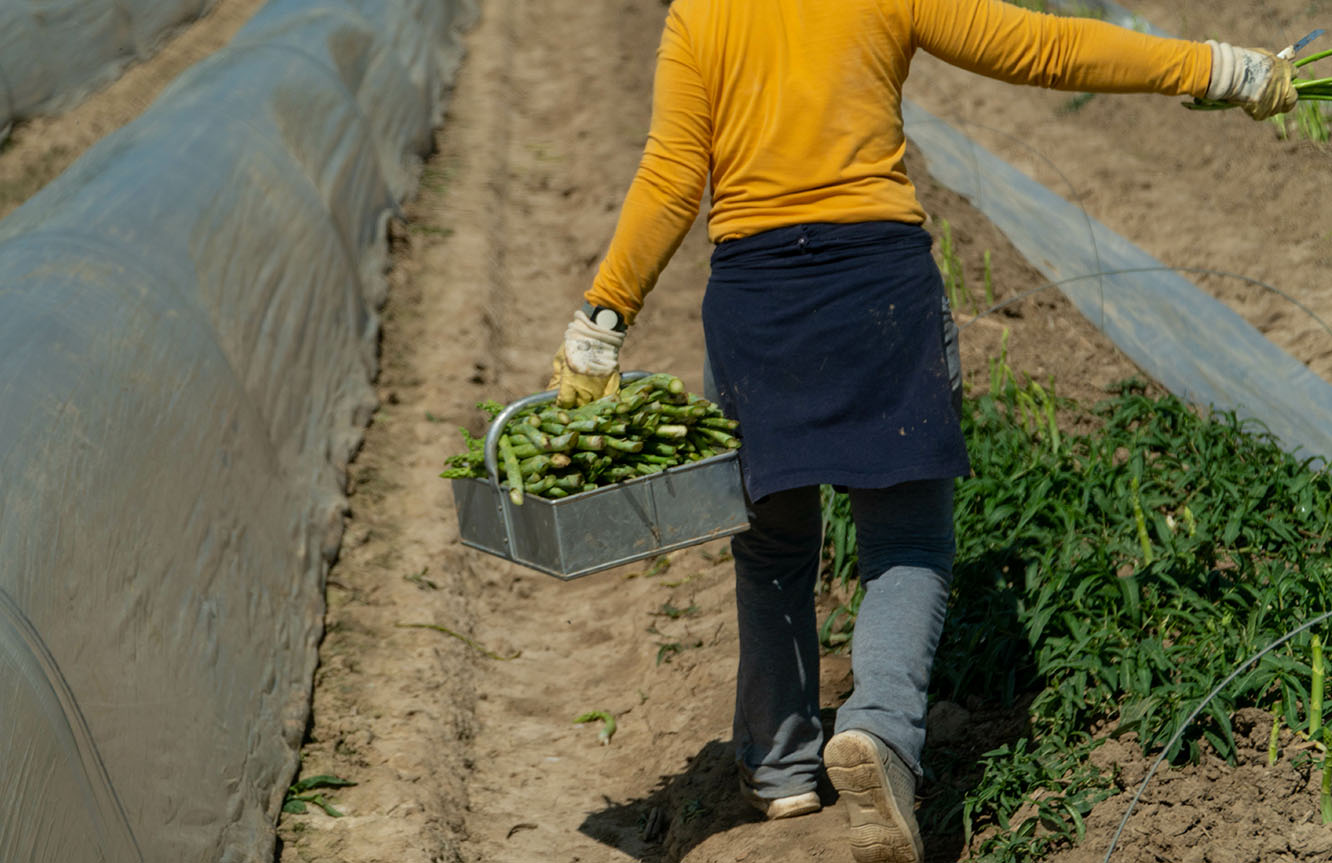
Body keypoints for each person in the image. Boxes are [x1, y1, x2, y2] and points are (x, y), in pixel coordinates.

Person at [547, 2, 1296, 861]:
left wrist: (603, 316)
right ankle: (879, 733)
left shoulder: (701, 13)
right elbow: (1044, 48)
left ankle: (784, 768)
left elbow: (675, 168)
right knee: (906, 540)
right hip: (877, 284)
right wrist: (1219, 69)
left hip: (757, 301)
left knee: (771, 541)